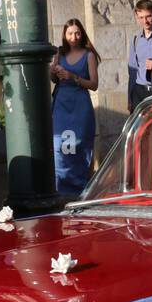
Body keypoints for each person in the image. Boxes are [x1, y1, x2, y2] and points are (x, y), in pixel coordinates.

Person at [50, 18, 100, 197]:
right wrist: (53, 70)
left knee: (80, 146)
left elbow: (94, 84)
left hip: (80, 105)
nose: (74, 37)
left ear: (82, 33)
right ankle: (60, 188)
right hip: (61, 105)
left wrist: (73, 76)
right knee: (59, 146)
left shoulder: (89, 55)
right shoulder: (59, 53)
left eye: (77, 33)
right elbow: (54, 80)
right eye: (70, 33)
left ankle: (80, 190)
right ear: (64, 34)